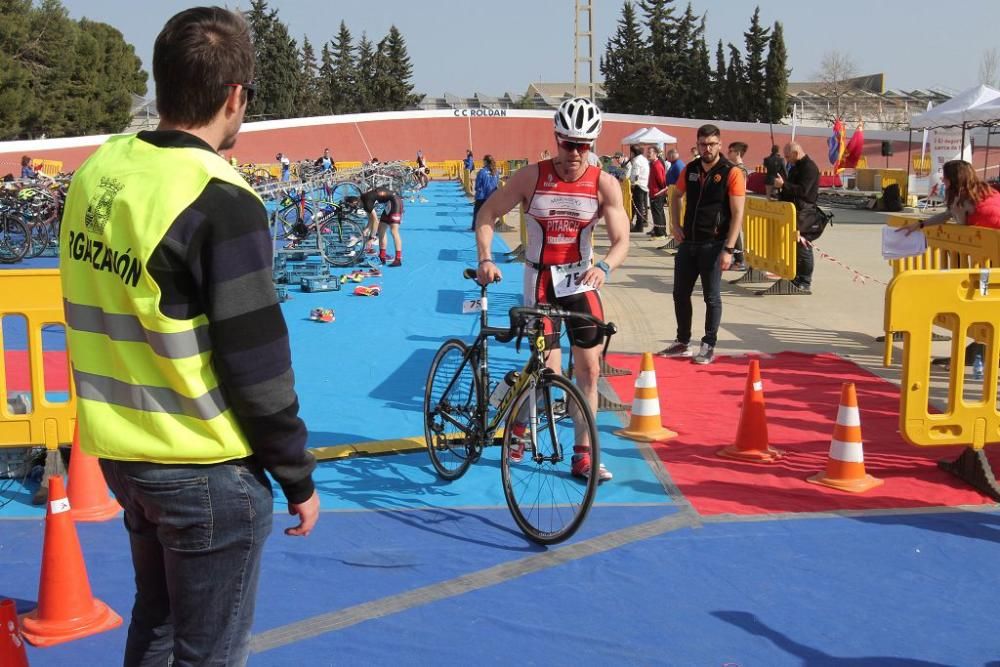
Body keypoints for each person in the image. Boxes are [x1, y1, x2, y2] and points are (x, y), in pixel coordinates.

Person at [57, 8, 318, 665]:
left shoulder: (100, 172)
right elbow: (257, 363)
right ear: (235, 96)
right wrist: (296, 474)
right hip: (201, 463)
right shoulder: (220, 199)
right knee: (209, 652)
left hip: (122, 452)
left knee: (158, 623)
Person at [474, 97, 629, 482]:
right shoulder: (532, 177)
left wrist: (606, 266)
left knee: (589, 371)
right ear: (556, 138)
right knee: (547, 369)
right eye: (568, 143)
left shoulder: (604, 183)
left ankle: (584, 454)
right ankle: (520, 425)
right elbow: (487, 214)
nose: (575, 153)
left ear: (593, 144)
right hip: (540, 278)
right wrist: (486, 260)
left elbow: (622, 238)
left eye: (584, 145)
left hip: (581, 280)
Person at [660, 124, 746, 365]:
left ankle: (708, 344)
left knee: (712, 297)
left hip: (714, 244)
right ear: (697, 145)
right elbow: (676, 196)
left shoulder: (731, 172)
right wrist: (674, 225)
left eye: (711, 144)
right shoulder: (690, 169)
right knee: (680, 294)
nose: (707, 148)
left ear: (719, 145)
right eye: (703, 144)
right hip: (689, 242)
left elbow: (738, 213)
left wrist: (729, 249)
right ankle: (682, 341)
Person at [899, 160, 1000, 234]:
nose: (942, 180)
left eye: (945, 177)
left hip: (991, 243)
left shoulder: (963, 199)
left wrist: (955, 207)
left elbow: (962, 227)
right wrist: (921, 224)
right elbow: (947, 214)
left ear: (953, 179)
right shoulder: (987, 190)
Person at [773, 142, 820, 294]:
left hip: (805, 212)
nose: (786, 160)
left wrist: (784, 184)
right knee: (794, 247)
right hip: (793, 210)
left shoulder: (809, 168)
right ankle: (795, 276)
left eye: (787, 156)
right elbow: (791, 188)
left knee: (803, 246)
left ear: (795, 153)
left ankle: (805, 280)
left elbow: (803, 191)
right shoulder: (796, 167)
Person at [360, 186, 405, 266]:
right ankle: (382, 257)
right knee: (381, 229)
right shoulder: (364, 199)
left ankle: (398, 259)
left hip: (395, 202)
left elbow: (375, 221)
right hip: (388, 204)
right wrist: (365, 231)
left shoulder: (366, 203)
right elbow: (371, 220)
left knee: (394, 231)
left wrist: (371, 238)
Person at [727, 141, 750, 269]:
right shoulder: (734, 168)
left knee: (734, 230)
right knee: (730, 229)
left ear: (738, 153)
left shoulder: (740, 169)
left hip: (736, 202)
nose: (728, 153)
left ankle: (739, 259)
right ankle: (736, 258)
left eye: (730, 151)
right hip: (731, 202)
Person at [624, 143, 649, 232]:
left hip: (638, 185)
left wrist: (632, 183)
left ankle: (639, 226)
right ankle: (638, 224)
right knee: (640, 206)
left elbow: (635, 175)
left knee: (637, 206)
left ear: (633, 152)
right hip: (644, 184)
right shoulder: (644, 159)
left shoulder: (637, 161)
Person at [472, 154, 501, 230]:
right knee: (490, 213)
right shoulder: (496, 172)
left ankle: (475, 227)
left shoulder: (481, 172)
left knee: (477, 212)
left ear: (485, 161)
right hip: (492, 196)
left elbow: (478, 185)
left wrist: (477, 191)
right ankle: (489, 226)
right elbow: (497, 183)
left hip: (482, 196)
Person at [647, 145, 668, 238]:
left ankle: (660, 233)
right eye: (647, 152)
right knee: (657, 213)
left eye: (650, 152)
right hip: (654, 192)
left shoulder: (657, 165)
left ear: (655, 154)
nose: (648, 154)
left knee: (658, 213)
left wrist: (661, 191)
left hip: (657, 193)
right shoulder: (653, 164)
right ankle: (659, 231)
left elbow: (661, 180)